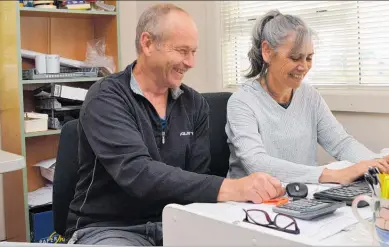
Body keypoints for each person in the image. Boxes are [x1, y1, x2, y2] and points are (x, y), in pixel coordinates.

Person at [66, 4, 285, 246]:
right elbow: (138, 174)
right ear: (147, 43)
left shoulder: (195, 104)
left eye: (193, 52)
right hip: (111, 229)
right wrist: (235, 188)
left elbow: (196, 180)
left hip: (178, 222)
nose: (190, 62)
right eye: (182, 51)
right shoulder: (106, 97)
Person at [225, 10, 389, 185]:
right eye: (294, 57)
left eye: (308, 58)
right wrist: (335, 175)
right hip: (248, 204)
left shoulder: (309, 96)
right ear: (267, 51)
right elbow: (257, 163)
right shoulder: (242, 102)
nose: (304, 67)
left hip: (299, 195)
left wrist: (377, 162)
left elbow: (341, 143)